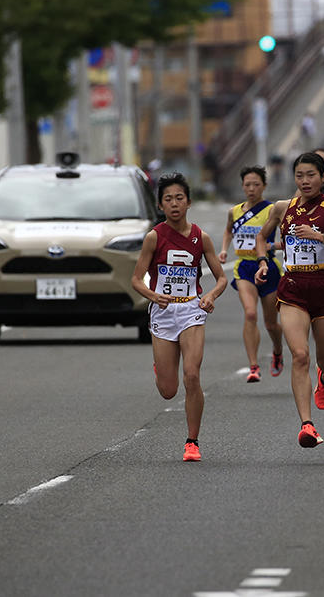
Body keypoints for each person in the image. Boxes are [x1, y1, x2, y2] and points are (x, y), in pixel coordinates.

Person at [254, 152, 324, 448]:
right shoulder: (282, 207)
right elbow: (262, 237)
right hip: (293, 289)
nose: (305, 181)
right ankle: (307, 425)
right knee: (300, 355)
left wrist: (320, 237)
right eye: (299, 175)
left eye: (311, 175)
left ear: (323, 178)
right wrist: (263, 262)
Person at [131, 173, 227, 462]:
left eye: (179, 198)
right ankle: (161, 368)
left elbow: (222, 279)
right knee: (168, 391)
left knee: (193, 375)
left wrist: (209, 296)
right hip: (163, 311)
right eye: (168, 199)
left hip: (191, 310)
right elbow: (136, 280)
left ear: (188, 202)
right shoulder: (154, 237)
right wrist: (152, 295)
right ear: (161, 205)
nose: (174, 204)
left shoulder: (202, 237)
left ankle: (192, 441)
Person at [219, 166, 285, 383]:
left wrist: (270, 245)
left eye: (256, 184)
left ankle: (277, 350)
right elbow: (229, 230)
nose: (251, 188)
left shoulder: (272, 210)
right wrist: (224, 249)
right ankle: (254, 366)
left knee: (271, 323)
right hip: (245, 267)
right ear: (242, 186)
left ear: (264, 186)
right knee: (249, 314)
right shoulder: (234, 211)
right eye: (247, 184)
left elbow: (287, 239)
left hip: (269, 268)